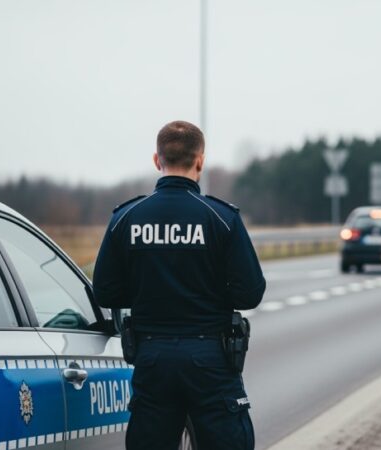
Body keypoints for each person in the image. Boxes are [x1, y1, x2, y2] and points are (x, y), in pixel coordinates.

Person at [93, 120, 266, 450]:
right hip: (211, 359)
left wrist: (147, 290)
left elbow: (105, 291)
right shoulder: (221, 218)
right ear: (200, 160)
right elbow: (251, 293)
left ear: (157, 161)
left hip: (152, 358)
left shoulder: (126, 218)